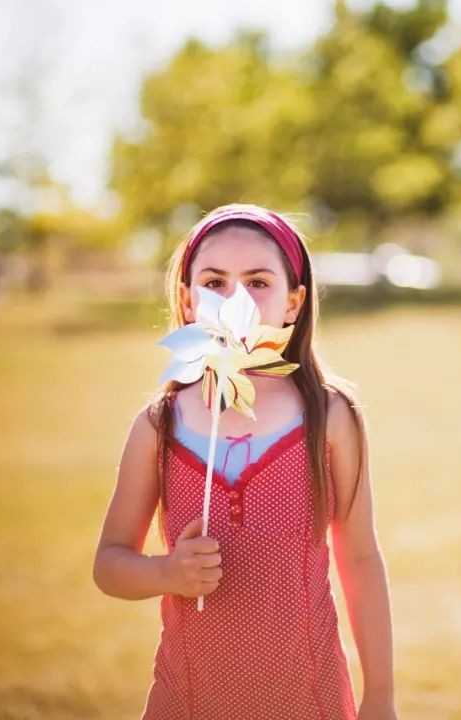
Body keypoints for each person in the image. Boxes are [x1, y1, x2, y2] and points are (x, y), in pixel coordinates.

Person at [92, 203, 397, 720]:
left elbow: (361, 558)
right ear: (187, 302)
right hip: (187, 700)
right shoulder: (159, 425)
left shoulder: (331, 417)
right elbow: (109, 565)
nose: (236, 299)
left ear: (293, 302)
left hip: (308, 698)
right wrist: (167, 573)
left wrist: (381, 697)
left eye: (258, 283)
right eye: (215, 283)